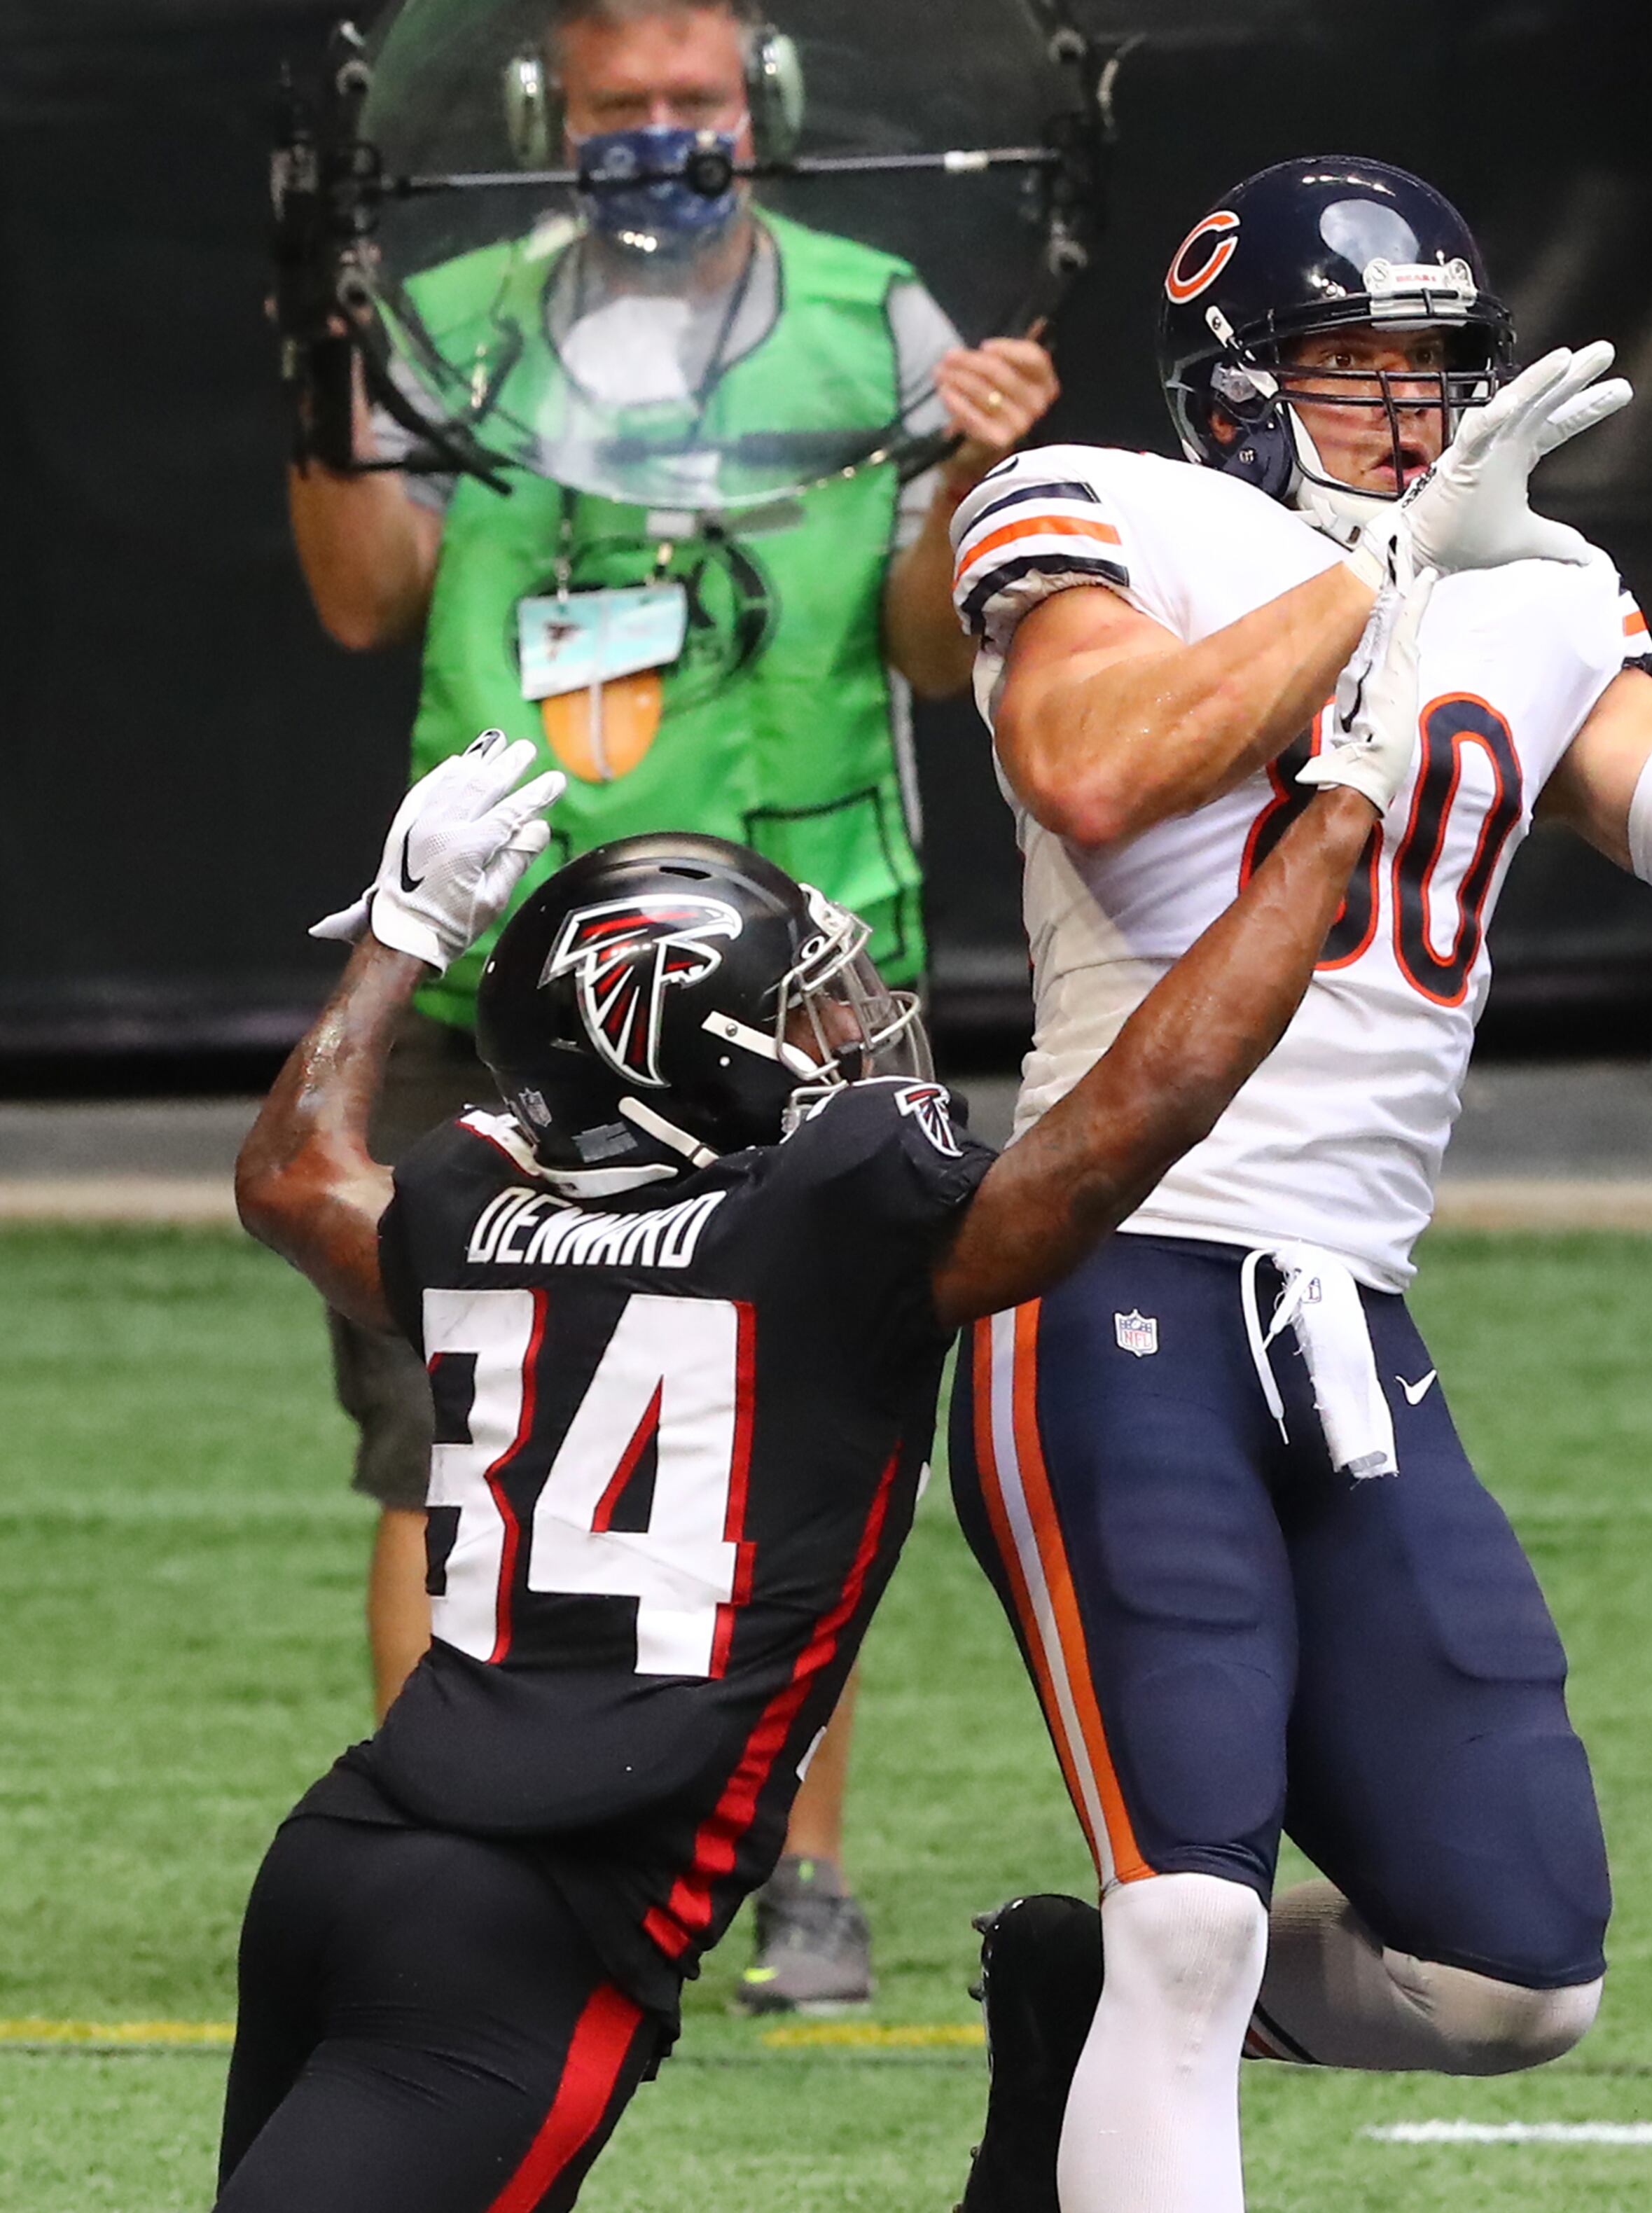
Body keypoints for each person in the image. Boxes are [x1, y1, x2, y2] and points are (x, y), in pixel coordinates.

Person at [937, 154, 1652, 2213]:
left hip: (1347, 1312)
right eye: (1353, 373)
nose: (1410, 420)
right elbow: (1093, 769)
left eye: (1435, 372)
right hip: (1109, 1279)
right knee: (1194, 1919)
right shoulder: (1104, 505)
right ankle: (1140, 2011)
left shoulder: (1532, 588)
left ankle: (1074, 2036)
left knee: (1514, 1977)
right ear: (1237, 385)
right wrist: (1383, 576)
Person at [216, 637, 1427, 2211]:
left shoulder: (472, 1209)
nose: (854, 1029)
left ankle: (1036, 2126)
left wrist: (400, 930)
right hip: (541, 1922)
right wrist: (1332, 822)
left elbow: (290, 1172)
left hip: (344, 1851)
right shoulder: (833, 1232)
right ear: (682, 1058)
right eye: (808, 1010)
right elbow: (1147, 1111)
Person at [284, 0, 1059, 2008]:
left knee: (811, 1424)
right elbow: (362, 596)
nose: (656, 136)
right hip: (509, 954)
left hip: (791, 976)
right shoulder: (445, 311)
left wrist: (980, 475)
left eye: (692, 103)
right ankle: (453, 1849)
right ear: (554, 114)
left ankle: (795, 1874)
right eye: (618, 106)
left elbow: (932, 654)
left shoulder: (882, 317)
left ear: (763, 106)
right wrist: (324, 383)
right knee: (446, 1435)